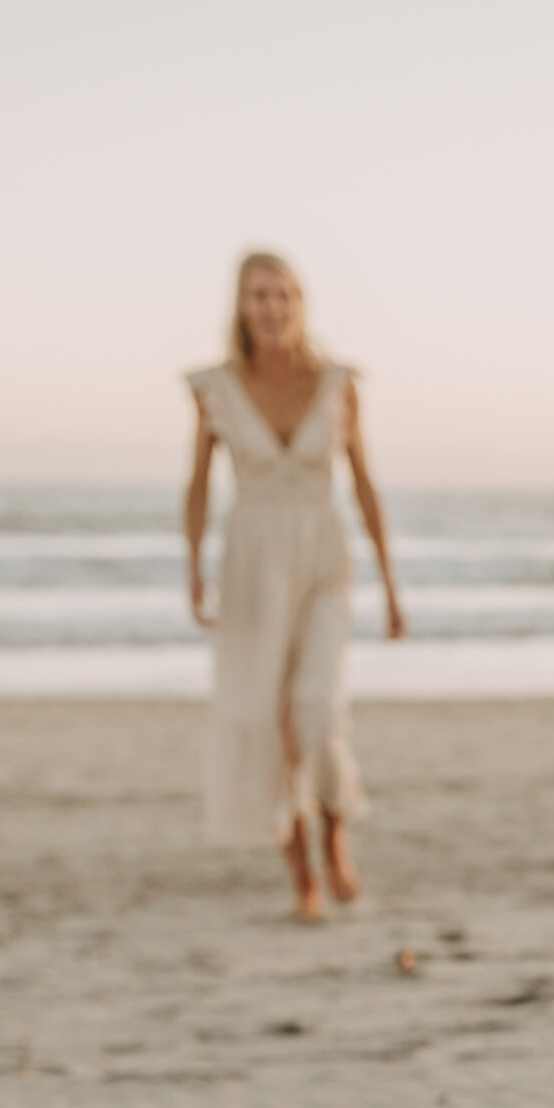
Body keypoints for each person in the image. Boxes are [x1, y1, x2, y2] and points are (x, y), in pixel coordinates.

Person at [184, 252, 405, 920]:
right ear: (242, 307)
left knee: (316, 712)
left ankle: (336, 835)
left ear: (300, 304)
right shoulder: (214, 387)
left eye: (283, 295)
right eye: (259, 296)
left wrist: (392, 585)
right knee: (259, 718)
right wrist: (194, 568)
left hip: (320, 559)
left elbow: (363, 482)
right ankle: (303, 879)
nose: (272, 308)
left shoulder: (337, 384)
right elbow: (196, 485)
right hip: (250, 562)